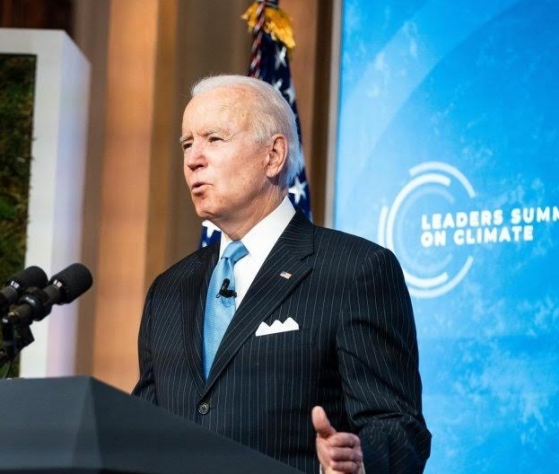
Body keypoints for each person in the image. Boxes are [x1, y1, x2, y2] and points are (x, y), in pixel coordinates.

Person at [132, 75, 431, 474]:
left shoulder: (354, 270)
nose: (193, 159)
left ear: (273, 156)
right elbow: (142, 431)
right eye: (187, 143)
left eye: (214, 139)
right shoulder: (168, 290)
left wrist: (357, 461)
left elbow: (398, 426)